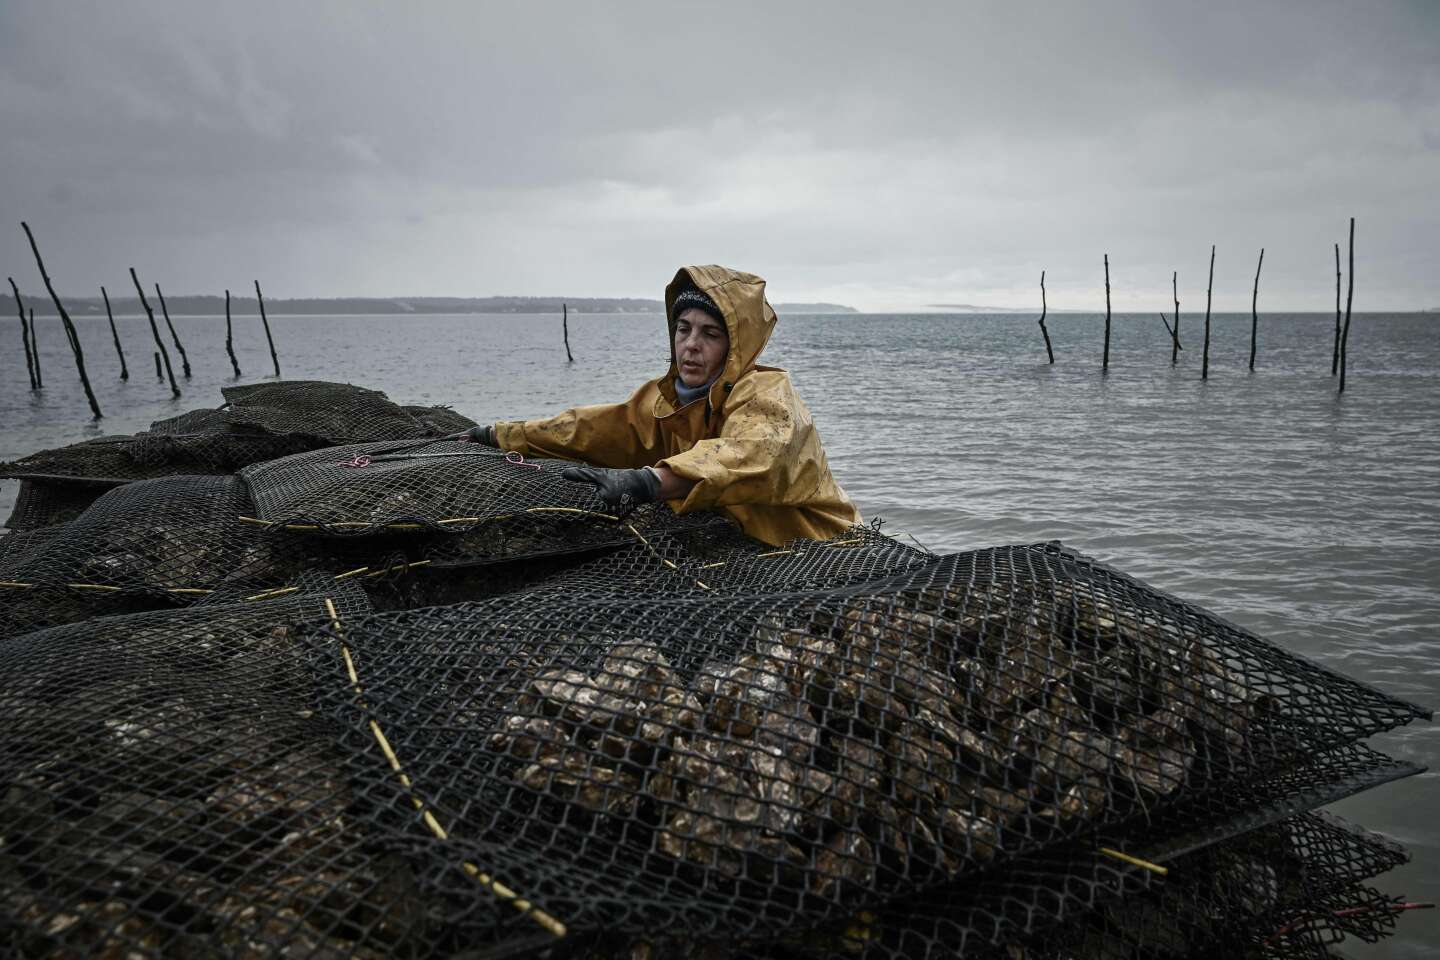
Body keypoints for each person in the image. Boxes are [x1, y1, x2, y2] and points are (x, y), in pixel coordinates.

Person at [456, 265, 859, 546]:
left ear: (736, 347)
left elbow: (749, 454)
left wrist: (647, 481)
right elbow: (595, 428)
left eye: (711, 333)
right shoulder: (665, 399)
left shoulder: (768, 394)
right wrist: (499, 434)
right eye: (683, 329)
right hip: (746, 542)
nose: (691, 345)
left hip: (826, 545)